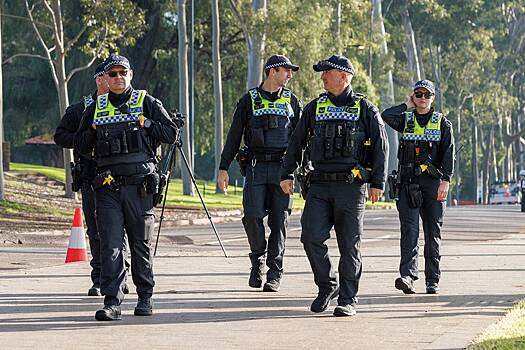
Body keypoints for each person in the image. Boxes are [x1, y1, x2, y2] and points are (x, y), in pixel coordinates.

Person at [280, 54, 388, 317]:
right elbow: (296, 143)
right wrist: (286, 173)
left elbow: (381, 146)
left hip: (351, 188)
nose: (322, 77)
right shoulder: (314, 107)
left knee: (349, 245)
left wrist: (378, 182)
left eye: (327, 72)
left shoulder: (365, 108)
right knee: (310, 237)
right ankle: (327, 284)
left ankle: (348, 299)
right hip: (318, 186)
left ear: (344, 76)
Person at [75, 54, 178, 321]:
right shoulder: (96, 107)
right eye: (113, 74)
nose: (118, 78)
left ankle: (145, 296)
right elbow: (80, 145)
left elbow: (171, 134)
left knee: (140, 244)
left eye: (123, 73)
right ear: (105, 79)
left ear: (130, 74)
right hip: (108, 188)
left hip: (139, 188)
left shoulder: (146, 102)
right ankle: (112, 302)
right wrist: (93, 130)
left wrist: (147, 123)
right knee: (110, 245)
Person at [217, 55, 302, 292]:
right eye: (286, 70)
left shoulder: (292, 101)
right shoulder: (248, 101)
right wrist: (224, 167)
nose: (290, 75)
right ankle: (258, 261)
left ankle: (274, 273)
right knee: (252, 216)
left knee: (279, 222)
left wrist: (301, 170)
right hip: (255, 168)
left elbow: (301, 139)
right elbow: (234, 136)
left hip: (283, 170)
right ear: (272, 71)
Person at [381, 79, 454, 295]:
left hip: (433, 184)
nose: (422, 98)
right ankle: (408, 277)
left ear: (433, 98)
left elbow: (449, 154)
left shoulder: (442, 123)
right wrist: (406, 105)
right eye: (418, 94)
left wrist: (446, 180)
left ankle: (432, 279)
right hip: (408, 183)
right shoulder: (405, 119)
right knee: (409, 232)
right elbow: (386, 116)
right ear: (414, 96)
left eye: (426, 95)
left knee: (432, 233)